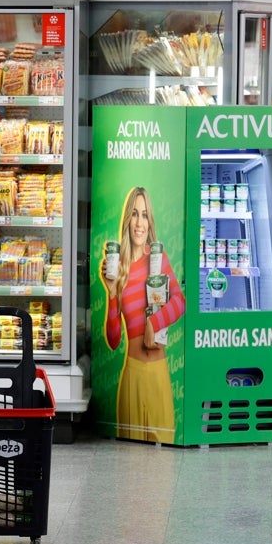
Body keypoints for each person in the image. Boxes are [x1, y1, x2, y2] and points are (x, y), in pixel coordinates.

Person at [101, 186, 185, 443]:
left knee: (163, 463)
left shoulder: (158, 259)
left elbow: (180, 302)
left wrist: (153, 322)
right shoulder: (119, 268)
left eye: (145, 215)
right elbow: (114, 340)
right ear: (128, 219)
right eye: (135, 214)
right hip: (132, 376)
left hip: (158, 373)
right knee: (130, 464)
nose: (139, 223)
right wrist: (111, 292)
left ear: (150, 222)